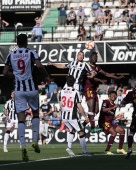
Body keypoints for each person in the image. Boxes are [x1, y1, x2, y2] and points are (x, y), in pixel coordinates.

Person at [3, 33, 50, 162]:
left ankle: (23, 146)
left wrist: (15, 76)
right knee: (35, 114)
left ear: (17, 43)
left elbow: (4, 72)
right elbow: (39, 66)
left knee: (21, 119)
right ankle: (35, 141)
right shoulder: (31, 53)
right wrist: (46, 76)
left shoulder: (10, 55)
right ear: (26, 42)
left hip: (18, 90)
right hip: (32, 88)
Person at [48, 51, 95, 130]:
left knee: (75, 104)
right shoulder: (72, 63)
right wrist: (53, 64)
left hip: (76, 85)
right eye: (79, 55)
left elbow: (92, 72)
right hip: (67, 85)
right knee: (63, 101)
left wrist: (91, 76)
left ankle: (72, 122)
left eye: (82, 55)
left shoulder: (85, 64)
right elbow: (62, 66)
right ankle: (65, 121)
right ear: (77, 56)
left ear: (83, 57)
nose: (81, 56)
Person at [83, 52, 124, 133]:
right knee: (91, 109)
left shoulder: (97, 68)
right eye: (94, 56)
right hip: (88, 88)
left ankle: (84, 124)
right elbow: (88, 77)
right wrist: (98, 80)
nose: (95, 58)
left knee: (96, 110)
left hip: (94, 90)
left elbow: (106, 74)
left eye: (96, 57)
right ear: (90, 57)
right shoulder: (86, 66)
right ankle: (92, 128)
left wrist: (117, 77)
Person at [60, 75, 90, 156]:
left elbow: (61, 103)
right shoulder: (75, 91)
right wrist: (85, 116)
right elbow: (79, 105)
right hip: (72, 116)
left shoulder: (62, 91)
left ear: (66, 82)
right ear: (74, 83)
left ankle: (69, 148)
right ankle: (84, 152)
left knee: (72, 130)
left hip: (64, 115)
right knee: (81, 132)